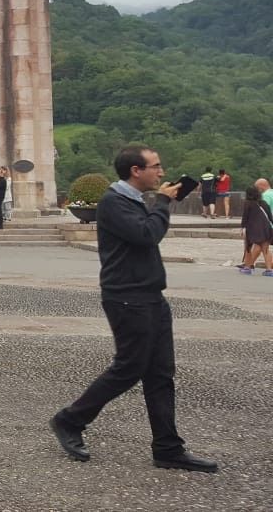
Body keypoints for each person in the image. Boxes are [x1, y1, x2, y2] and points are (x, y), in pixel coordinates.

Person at [51, 146, 218, 473]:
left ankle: (168, 448)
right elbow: (147, 235)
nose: (161, 172)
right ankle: (69, 420)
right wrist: (164, 203)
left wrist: (159, 203)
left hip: (150, 295)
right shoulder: (113, 202)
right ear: (135, 171)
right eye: (155, 166)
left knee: (160, 374)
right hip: (127, 297)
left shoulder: (133, 199)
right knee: (129, 367)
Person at [237, 186, 273, 275]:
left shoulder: (248, 203)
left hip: (253, 229)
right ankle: (269, 270)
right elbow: (270, 217)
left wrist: (242, 228)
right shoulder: (264, 203)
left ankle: (248, 268)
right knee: (266, 250)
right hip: (266, 228)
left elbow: (245, 217)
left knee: (248, 248)